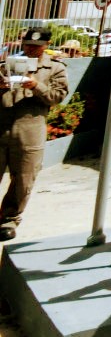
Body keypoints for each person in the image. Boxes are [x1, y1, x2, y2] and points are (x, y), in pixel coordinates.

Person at [0, 27, 70, 241]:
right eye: (28, 45)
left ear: (46, 46)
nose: (31, 50)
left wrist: (36, 85)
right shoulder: (5, 65)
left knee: (24, 178)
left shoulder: (55, 68)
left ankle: (9, 219)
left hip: (30, 130)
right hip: (1, 126)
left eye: (36, 47)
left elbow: (58, 97)